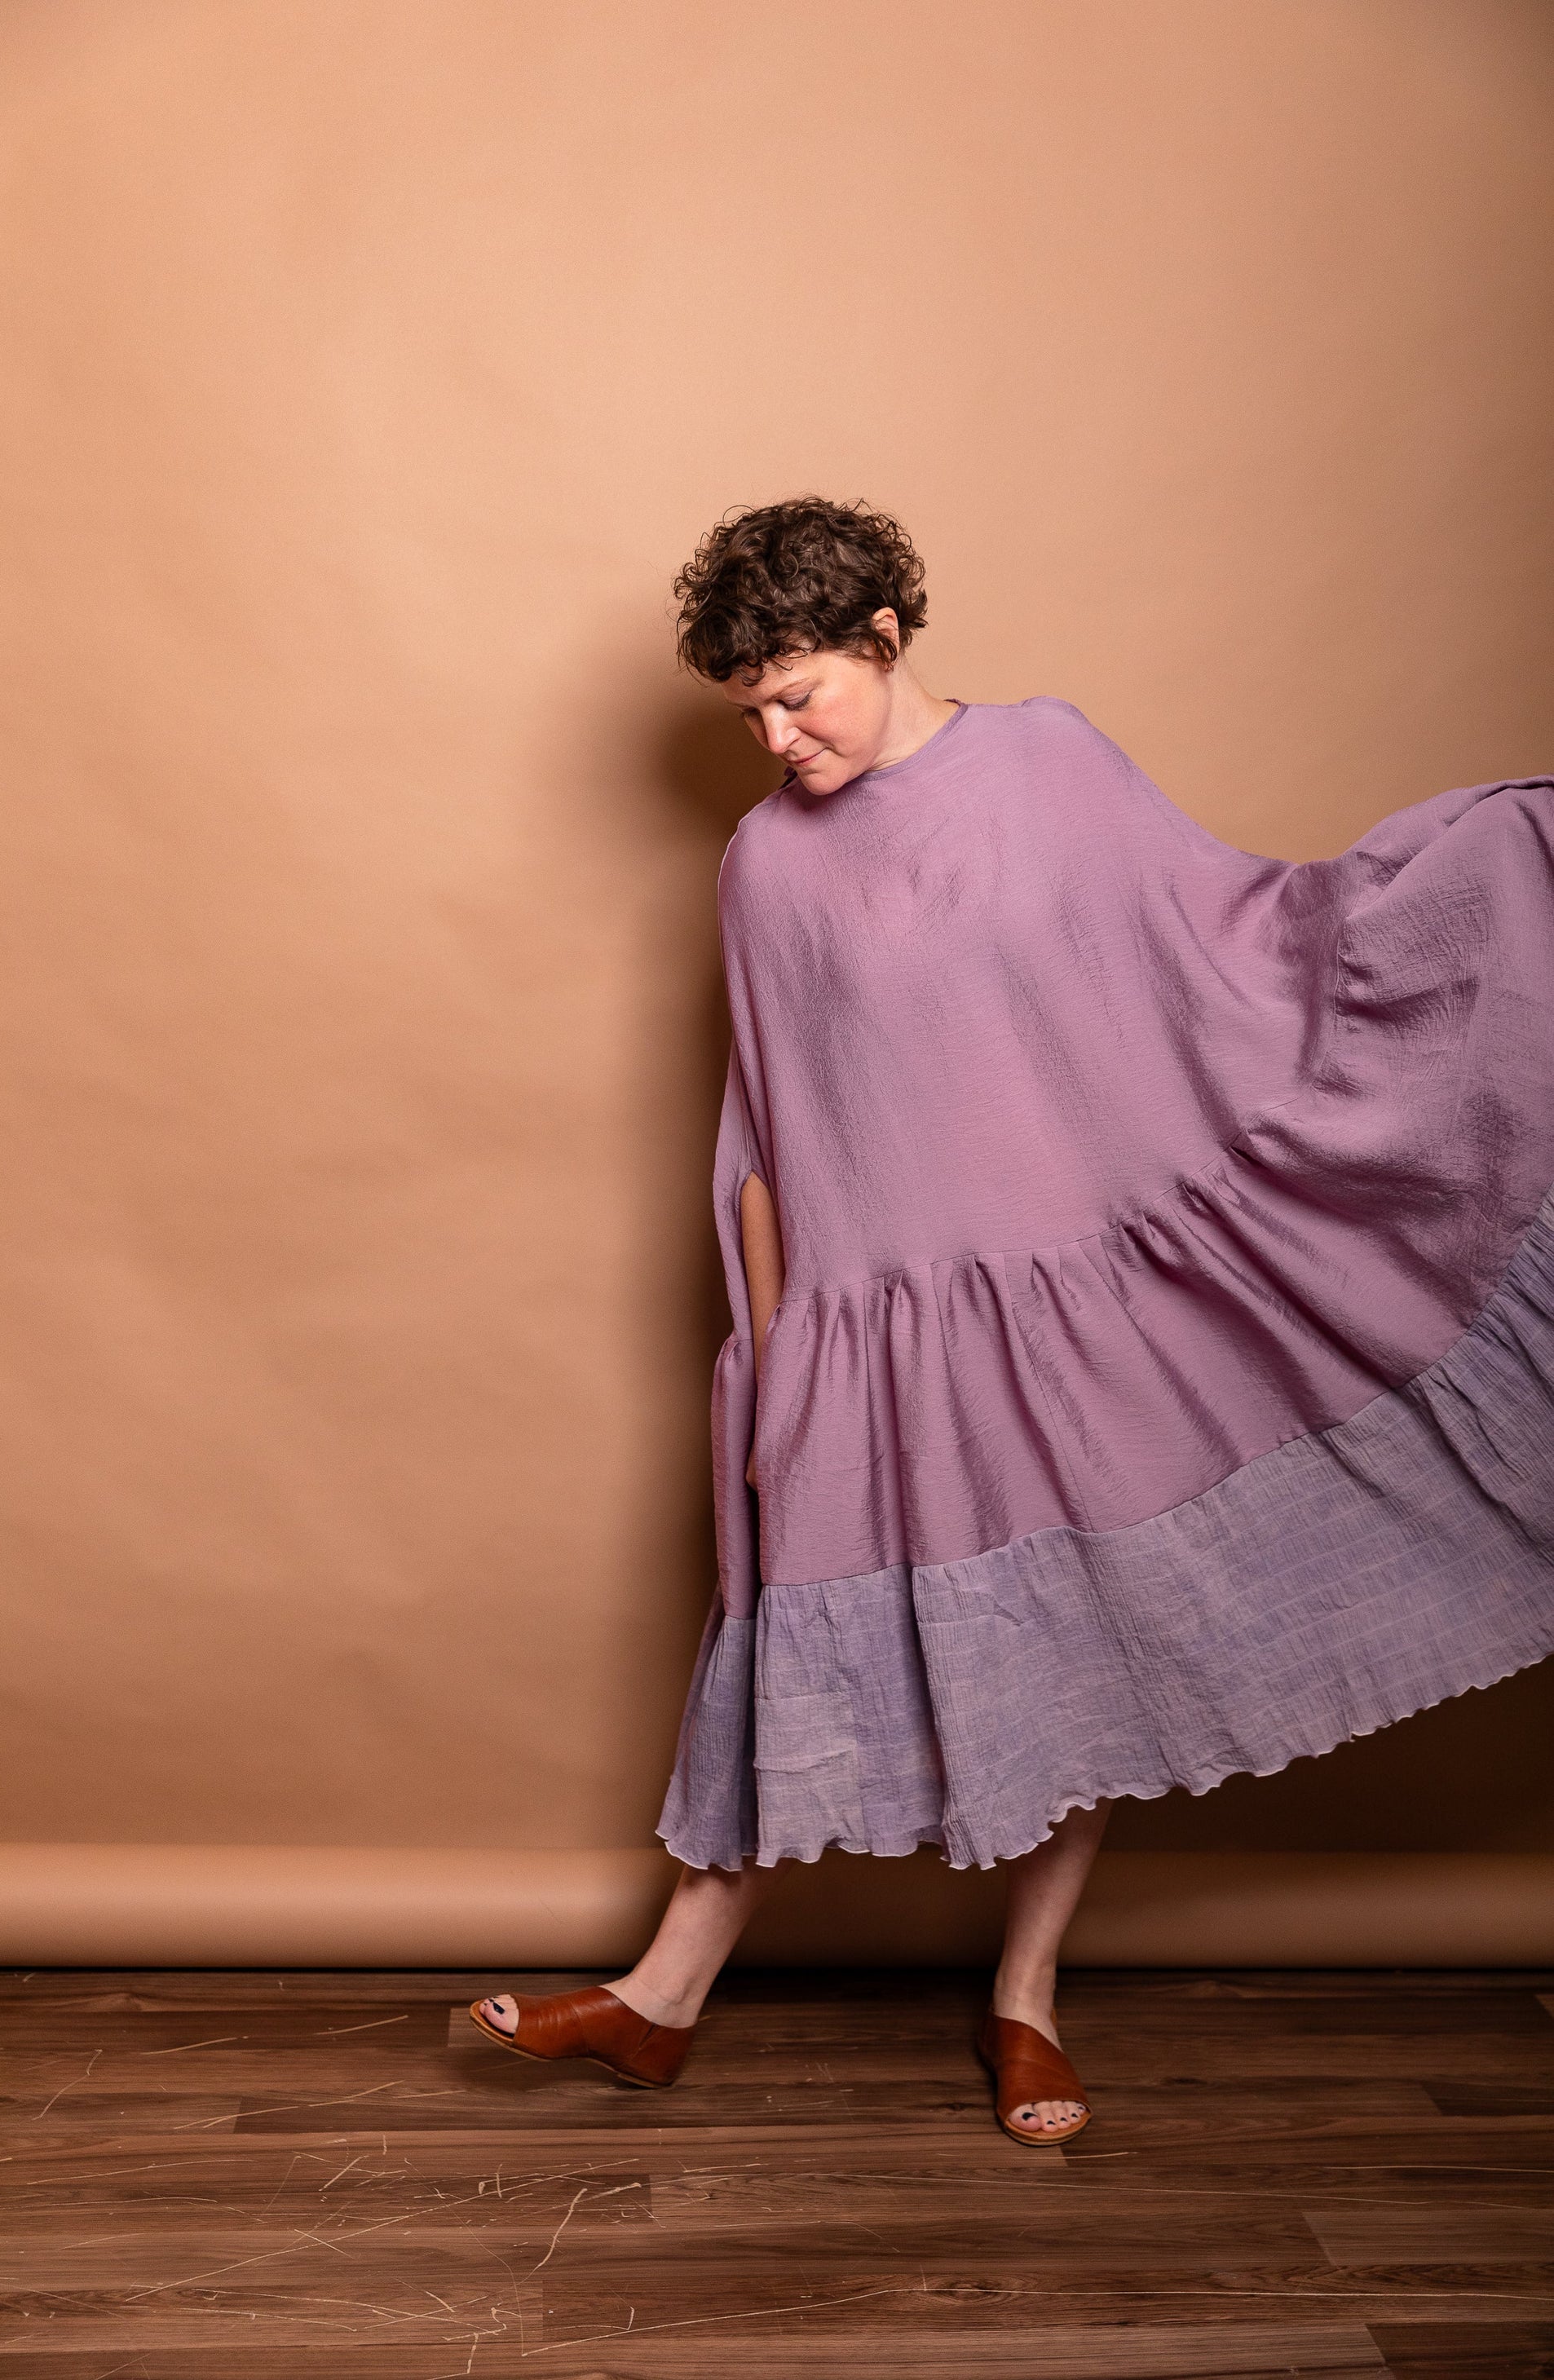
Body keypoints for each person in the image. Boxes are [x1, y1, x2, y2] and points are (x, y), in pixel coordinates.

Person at [472, 497, 1554, 2144]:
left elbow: (1232, 944)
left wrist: (1479, 870)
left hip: (1076, 1305)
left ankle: (1024, 2001)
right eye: (748, 712)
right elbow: (766, 1133)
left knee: (1080, 1641)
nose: (776, 739)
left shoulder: (1049, 761)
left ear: (884, 636)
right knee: (788, 1638)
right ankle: (660, 1997)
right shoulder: (765, 864)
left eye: (798, 696)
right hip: (873, 1320)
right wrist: (771, 1355)